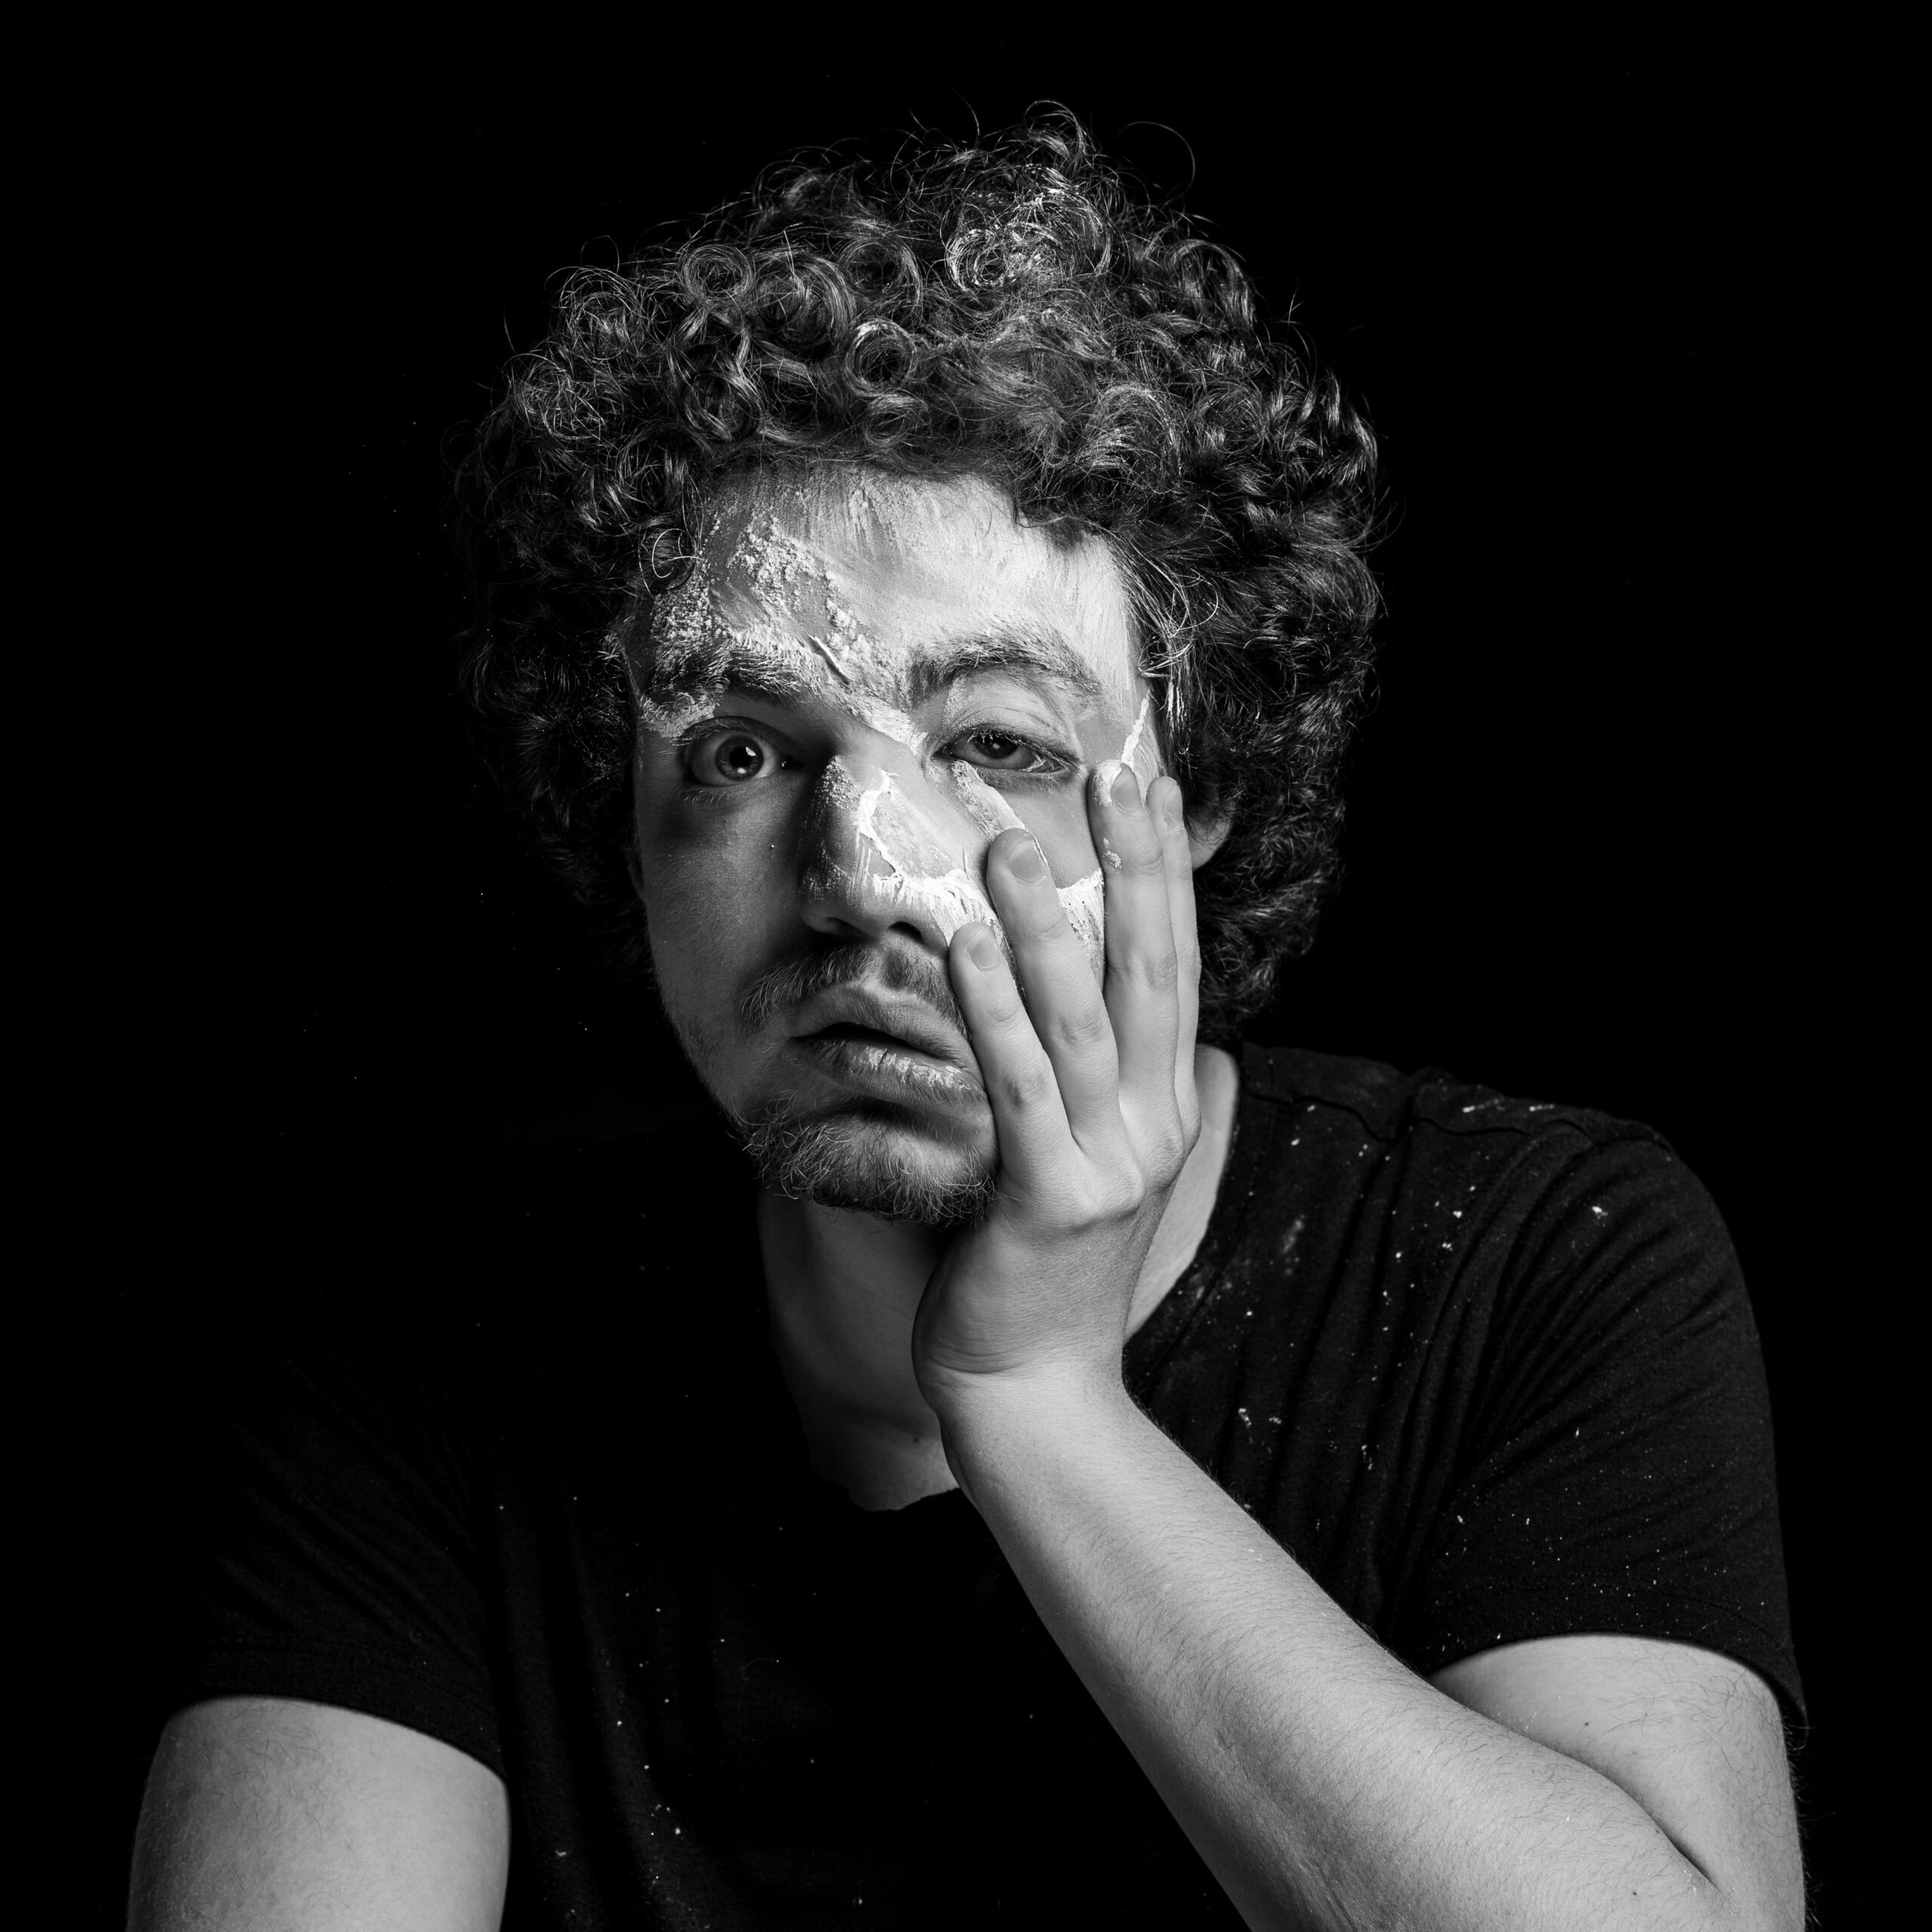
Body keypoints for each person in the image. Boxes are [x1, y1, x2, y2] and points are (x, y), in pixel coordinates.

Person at [128, 118, 1804, 1929]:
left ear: (1196, 792)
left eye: (997, 742)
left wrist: (1039, 1400)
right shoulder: (415, 1348)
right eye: (741, 750)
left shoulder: (1536, 1257)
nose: (861, 874)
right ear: (622, 816)